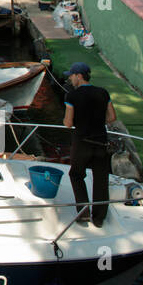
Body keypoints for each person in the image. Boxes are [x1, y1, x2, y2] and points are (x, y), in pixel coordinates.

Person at [63, 62, 116, 227]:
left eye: (71, 76)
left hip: (82, 142)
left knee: (76, 174)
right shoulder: (103, 93)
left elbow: (68, 123)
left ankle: (83, 212)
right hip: (101, 141)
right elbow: (112, 117)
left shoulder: (72, 96)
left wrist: (73, 121)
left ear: (79, 76)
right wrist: (99, 122)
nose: (70, 79)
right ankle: (99, 217)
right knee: (101, 178)